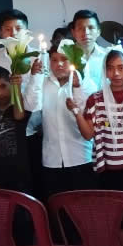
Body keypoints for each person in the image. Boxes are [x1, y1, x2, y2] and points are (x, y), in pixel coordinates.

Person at [69, 47, 123, 235]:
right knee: (119, 222)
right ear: (105, 71)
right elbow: (88, 134)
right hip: (110, 170)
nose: (116, 73)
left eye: (121, 67)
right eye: (110, 68)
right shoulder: (96, 99)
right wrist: (76, 112)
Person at [24, 38, 98, 201]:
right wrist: (34, 77)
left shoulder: (87, 84)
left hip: (81, 157)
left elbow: (86, 114)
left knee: (85, 207)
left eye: (64, 59)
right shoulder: (43, 82)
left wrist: (77, 87)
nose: (59, 64)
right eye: (54, 60)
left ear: (73, 60)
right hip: (52, 160)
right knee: (57, 207)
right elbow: (31, 106)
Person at [70, 10, 105, 88]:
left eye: (91, 28)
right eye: (80, 28)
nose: (86, 33)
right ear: (73, 33)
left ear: (98, 32)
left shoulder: (106, 56)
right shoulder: (65, 57)